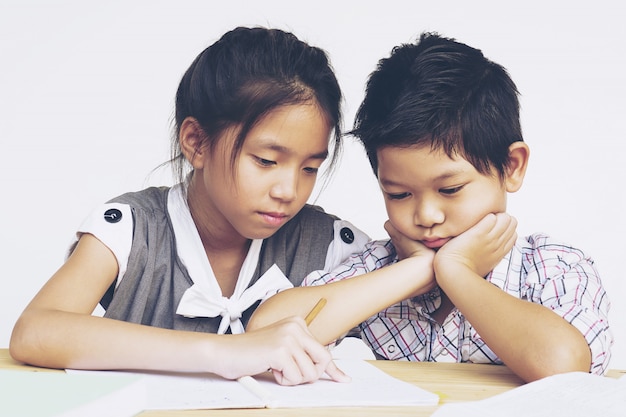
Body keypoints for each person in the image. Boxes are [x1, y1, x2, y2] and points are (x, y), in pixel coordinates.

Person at [9, 26, 375, 386]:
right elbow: (35, 331)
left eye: (310, 168)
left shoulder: (332, 245)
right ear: (196, 142)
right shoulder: (133, 230)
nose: (289, 190)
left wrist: (421, 264)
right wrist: (223, 353)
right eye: (265, 161)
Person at [248, 32, 613, 382]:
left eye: (450, 189)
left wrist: (458, 274)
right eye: (399, 194)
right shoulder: (378, 269)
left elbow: (566, 367)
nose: (426, 216)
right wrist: (422, 270)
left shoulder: (553, 269)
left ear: (512, 167)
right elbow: (264, 338)